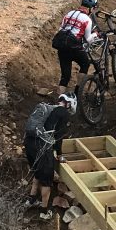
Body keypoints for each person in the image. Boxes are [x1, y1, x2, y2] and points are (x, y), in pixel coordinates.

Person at [24, 91, 76, 220]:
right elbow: (58, 137)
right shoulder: (63, 113)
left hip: (29, 142)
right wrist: (59, 154)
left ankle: (31, 200)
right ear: (69, 104)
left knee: (37, 172)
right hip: (42, 146)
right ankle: (44, 212)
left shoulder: (49, 108)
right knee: (47, 180)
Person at [52, 0, 100, 92]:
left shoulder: (69, 14)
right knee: (85, 64)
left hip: (62, 46)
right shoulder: (87, 20)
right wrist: (95, 34)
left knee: (65, 76)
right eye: (93, 9)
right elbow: (88, 39)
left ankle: (60, 99)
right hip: (74, 48)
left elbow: (61, 29)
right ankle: (78, 92)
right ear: (90, 8)